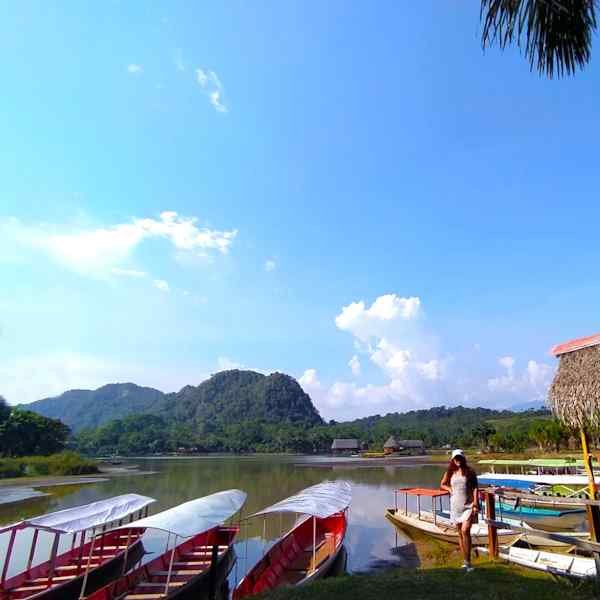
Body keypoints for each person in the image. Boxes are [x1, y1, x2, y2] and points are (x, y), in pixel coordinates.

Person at [440, 448, 479, 572]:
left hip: (468, 505)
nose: (458, 460)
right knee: (460, 534)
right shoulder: (450, 472)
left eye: (460, 458)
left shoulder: (470, 472)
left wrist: (475, 504)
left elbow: (475, 488)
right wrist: (449, 489)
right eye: (456, 458)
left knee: (465, 530)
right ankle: (465, 562)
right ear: (453, 459)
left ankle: (468, 562)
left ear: (463, 458)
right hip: (455, 506)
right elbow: (442, 483)